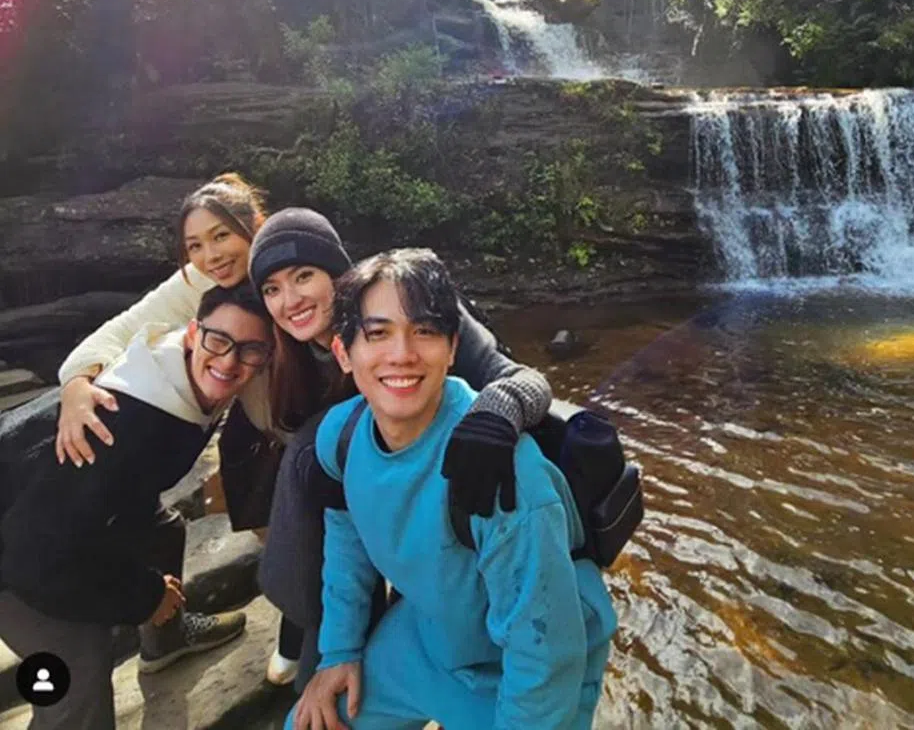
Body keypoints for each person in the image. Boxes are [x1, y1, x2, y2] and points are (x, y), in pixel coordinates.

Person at [286, 249, 616, 730]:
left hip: (527, 670)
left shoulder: (502, 473)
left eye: (424, 331)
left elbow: (543, 653)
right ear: (342, 352)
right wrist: (339, 651)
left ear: (453, 347)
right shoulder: (341, 437)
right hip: (428, 640)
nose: (402, 354)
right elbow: (347, 542)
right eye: (377, 334)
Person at [248, 208, 554, 691]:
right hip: (376, 501)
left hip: (461, 487)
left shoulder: (408, 304)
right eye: (272, 289)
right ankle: (315, 630)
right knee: (310, 455)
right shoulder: (294, 354)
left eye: (304, 276)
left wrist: (497, 411)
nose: (291, 300)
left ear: (337, 272)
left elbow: (524, 379)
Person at [0, 284, 271, 729]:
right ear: (192, 334)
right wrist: (145, 597)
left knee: (164, 530)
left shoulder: (181, 381)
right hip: (15, 550)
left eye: (250, 350)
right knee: (77, 661)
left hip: (47, 513)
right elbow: (32, 559)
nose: (228, 361)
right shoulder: (120, 424)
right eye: (219, 341)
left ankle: (166, 642)